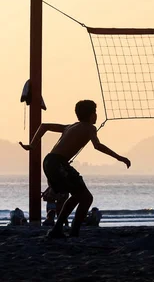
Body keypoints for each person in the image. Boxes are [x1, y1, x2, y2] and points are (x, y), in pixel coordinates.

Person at [20, 100, 130, 238]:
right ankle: (71, 232)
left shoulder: (70, 126)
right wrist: (119, 157)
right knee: (86, 198)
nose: (96, 115)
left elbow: (44, 126)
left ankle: (59, 229)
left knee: (79, 195)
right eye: (95, 113)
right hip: (58, 163)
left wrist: (32, 145)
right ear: (91, 115)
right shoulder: (90, 128)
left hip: (49, 161)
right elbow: (97, 146)